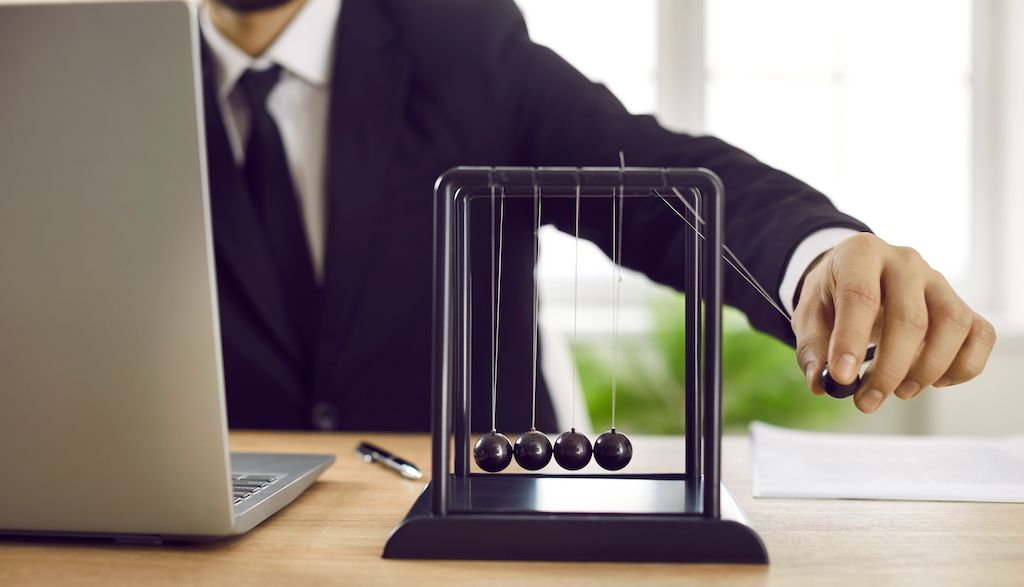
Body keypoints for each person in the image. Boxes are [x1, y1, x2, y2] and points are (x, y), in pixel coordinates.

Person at [199, 0, 995, 432]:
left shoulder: (464, 45)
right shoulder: (94, 83)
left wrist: (814, 257)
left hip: (473, 545)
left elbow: (660, 183)